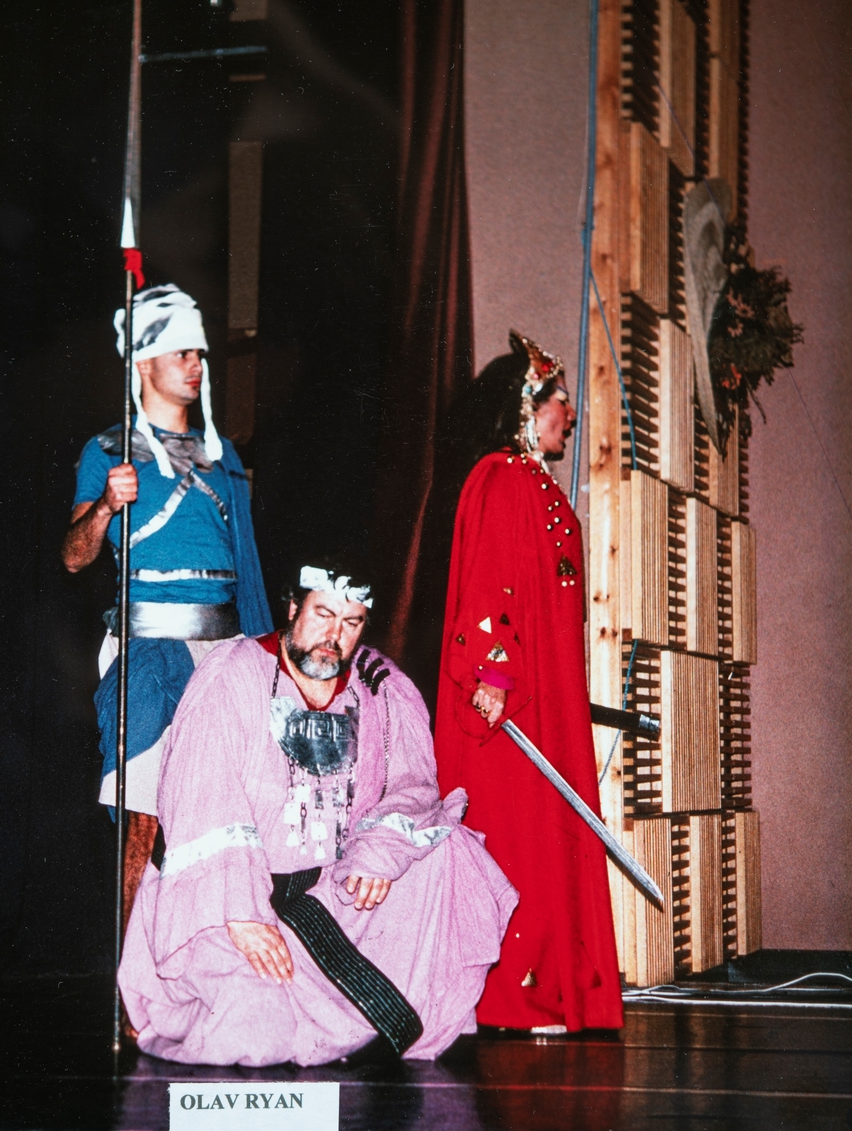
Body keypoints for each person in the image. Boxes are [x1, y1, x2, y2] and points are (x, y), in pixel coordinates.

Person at [118, 561, 518, 1066]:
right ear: (292, 608)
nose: (334, 636)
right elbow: (203, 796)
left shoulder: (380, 686)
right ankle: (325, 1024)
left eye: (351, 623)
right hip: (228, 898)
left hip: (327, 890)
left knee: (448, 854)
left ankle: (354, 1022)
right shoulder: (233, 671)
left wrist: (378, 853)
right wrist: (240, 913)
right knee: (255, 1030)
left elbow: (414, 785)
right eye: (323, 615)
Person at [433, 332, 623, 1034]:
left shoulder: (536, 483)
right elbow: (488, 583)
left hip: (551, 695)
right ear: (523, 407)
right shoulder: (500, 477)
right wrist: (491, 672)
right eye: (557, 402)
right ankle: (511, 995)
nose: (567, 415)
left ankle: (555, 985)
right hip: (509, 699)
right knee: (518, 835)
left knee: (553, 833)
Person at [62, 284, 273, 914]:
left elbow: (250, 569)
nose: (196, 365)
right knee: (144, 816)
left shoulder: (222, 456)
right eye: (182, 352)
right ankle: (133, 989)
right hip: (150, 646)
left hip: (227, 648)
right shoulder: (105, 452)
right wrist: (105, 505)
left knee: (227, 815)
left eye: (199, 355)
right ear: (144, 363)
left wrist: (265, 661)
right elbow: (73, 557)